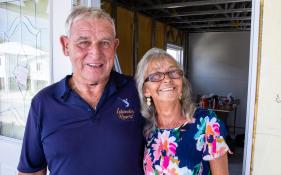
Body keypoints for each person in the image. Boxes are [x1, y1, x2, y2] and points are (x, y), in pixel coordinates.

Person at [17, 6, 144, 175]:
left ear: (115, 46)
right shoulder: (43, 103)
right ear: (66, 45)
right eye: (83, 43)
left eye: (105, 43)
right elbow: (31, 172)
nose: (95, 53)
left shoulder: (138, 91)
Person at [135, 48, 230, 175]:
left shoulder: (207, 123)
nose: (167, 79)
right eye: (156, 75)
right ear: (146, 90)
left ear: (181, 83)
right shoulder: (145, 130)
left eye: (173, 72)